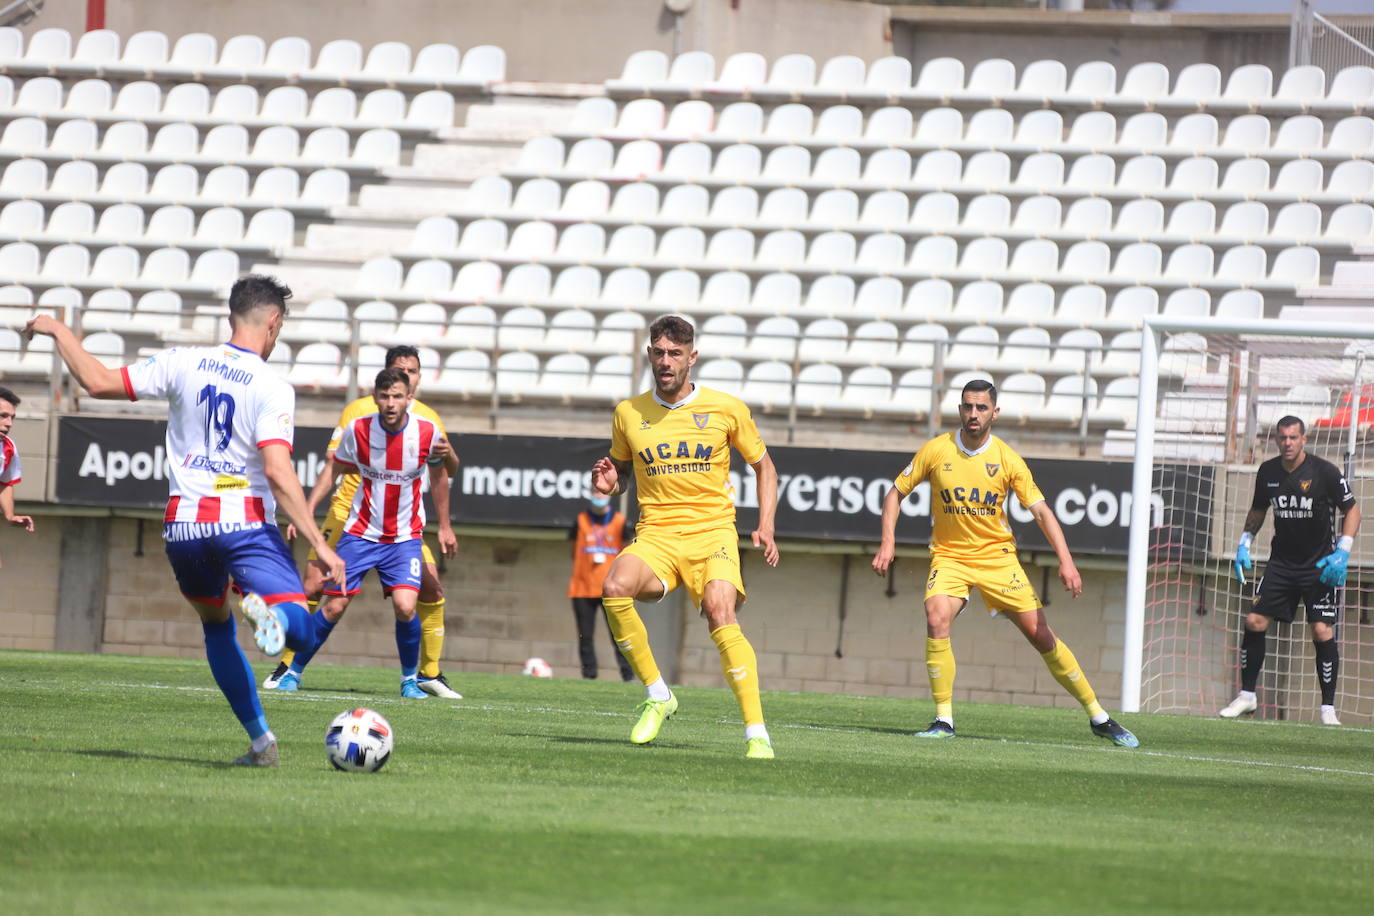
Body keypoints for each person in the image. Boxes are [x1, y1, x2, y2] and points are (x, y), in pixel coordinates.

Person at [24, 275, 345, 766]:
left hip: (185, 527)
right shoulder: (272, 386)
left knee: (217, 627)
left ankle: (262, 743)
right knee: (299, 628)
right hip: (243, 522)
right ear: (274, 323)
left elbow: (96, 381)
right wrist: (319, 545)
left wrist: (58, 331)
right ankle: (270, 615)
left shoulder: (182, 361)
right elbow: (278, 470)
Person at [872, 378, 1139, 748]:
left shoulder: (1007, 459)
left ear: (994, 413)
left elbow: (1042, 512)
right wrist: (888, 543)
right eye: (967, 407)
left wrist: (1067, 562)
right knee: (936, 617)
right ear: (959, 409)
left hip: (998, 559)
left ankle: (1099, 716)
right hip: (950, 557)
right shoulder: (936, 450)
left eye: (981, 408)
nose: (973, 414)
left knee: (1040, 636)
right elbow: (894, 494)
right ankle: (943, 719)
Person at [590, 314, 781, 759]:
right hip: (656, 533)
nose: (666, 361)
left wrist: (766, 524)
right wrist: (608, 485)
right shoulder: (628, 413)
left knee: (719, 611)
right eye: (658, 352)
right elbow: (618, 474)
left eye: (675, 353)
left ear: (692, 358)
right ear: (649, 355)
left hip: (712, 531)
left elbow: (764, 466)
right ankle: (659, 694)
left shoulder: (726, 408)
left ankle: (757, 733)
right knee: (614, 588)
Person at [270, 344, 462, 698]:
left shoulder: (427, 431)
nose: (391, 403)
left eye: (397, 396)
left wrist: (445, 524)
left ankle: (410, 680)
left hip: (404, 537)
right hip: (360, 533)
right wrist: (307, 508)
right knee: (333, 604)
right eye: (385, 396)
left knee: (407, 605)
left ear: (409, 398)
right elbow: (335, 468)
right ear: (376, 397)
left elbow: (442, 475)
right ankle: (291, 671)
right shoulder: (357, 429)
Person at [1222, 415, 1360, 725]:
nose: (1288, 443)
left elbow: (1353, 510)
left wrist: (1343, 552)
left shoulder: (1324, 471)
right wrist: (1244, 543)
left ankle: (1327, 709)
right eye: (1283, 438)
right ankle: (1247, 696)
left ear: (1304, 439)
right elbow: (1259, 509)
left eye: (1293, 438)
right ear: (1276, 440)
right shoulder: (1268, 471)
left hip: (1319, 564)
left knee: (1322, 630)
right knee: (1255, 620)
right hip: (1281, 563)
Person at [567, 491, 634, 681]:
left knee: (618, 634)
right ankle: (589, 675)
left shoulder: (619, 521)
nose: (598, 495)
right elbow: (574, 551)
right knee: (585, 635)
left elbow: (627, 554)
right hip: (582, 587)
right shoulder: (580, 520)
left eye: (601, 492)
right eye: (595, 491)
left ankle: (627, 675)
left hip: (611, 589)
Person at [0, 387, 35, 568]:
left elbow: (5, 483)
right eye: (3, 416)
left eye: (12, 417)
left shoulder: (8, 448)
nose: (9, 423)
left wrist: (9, 515)